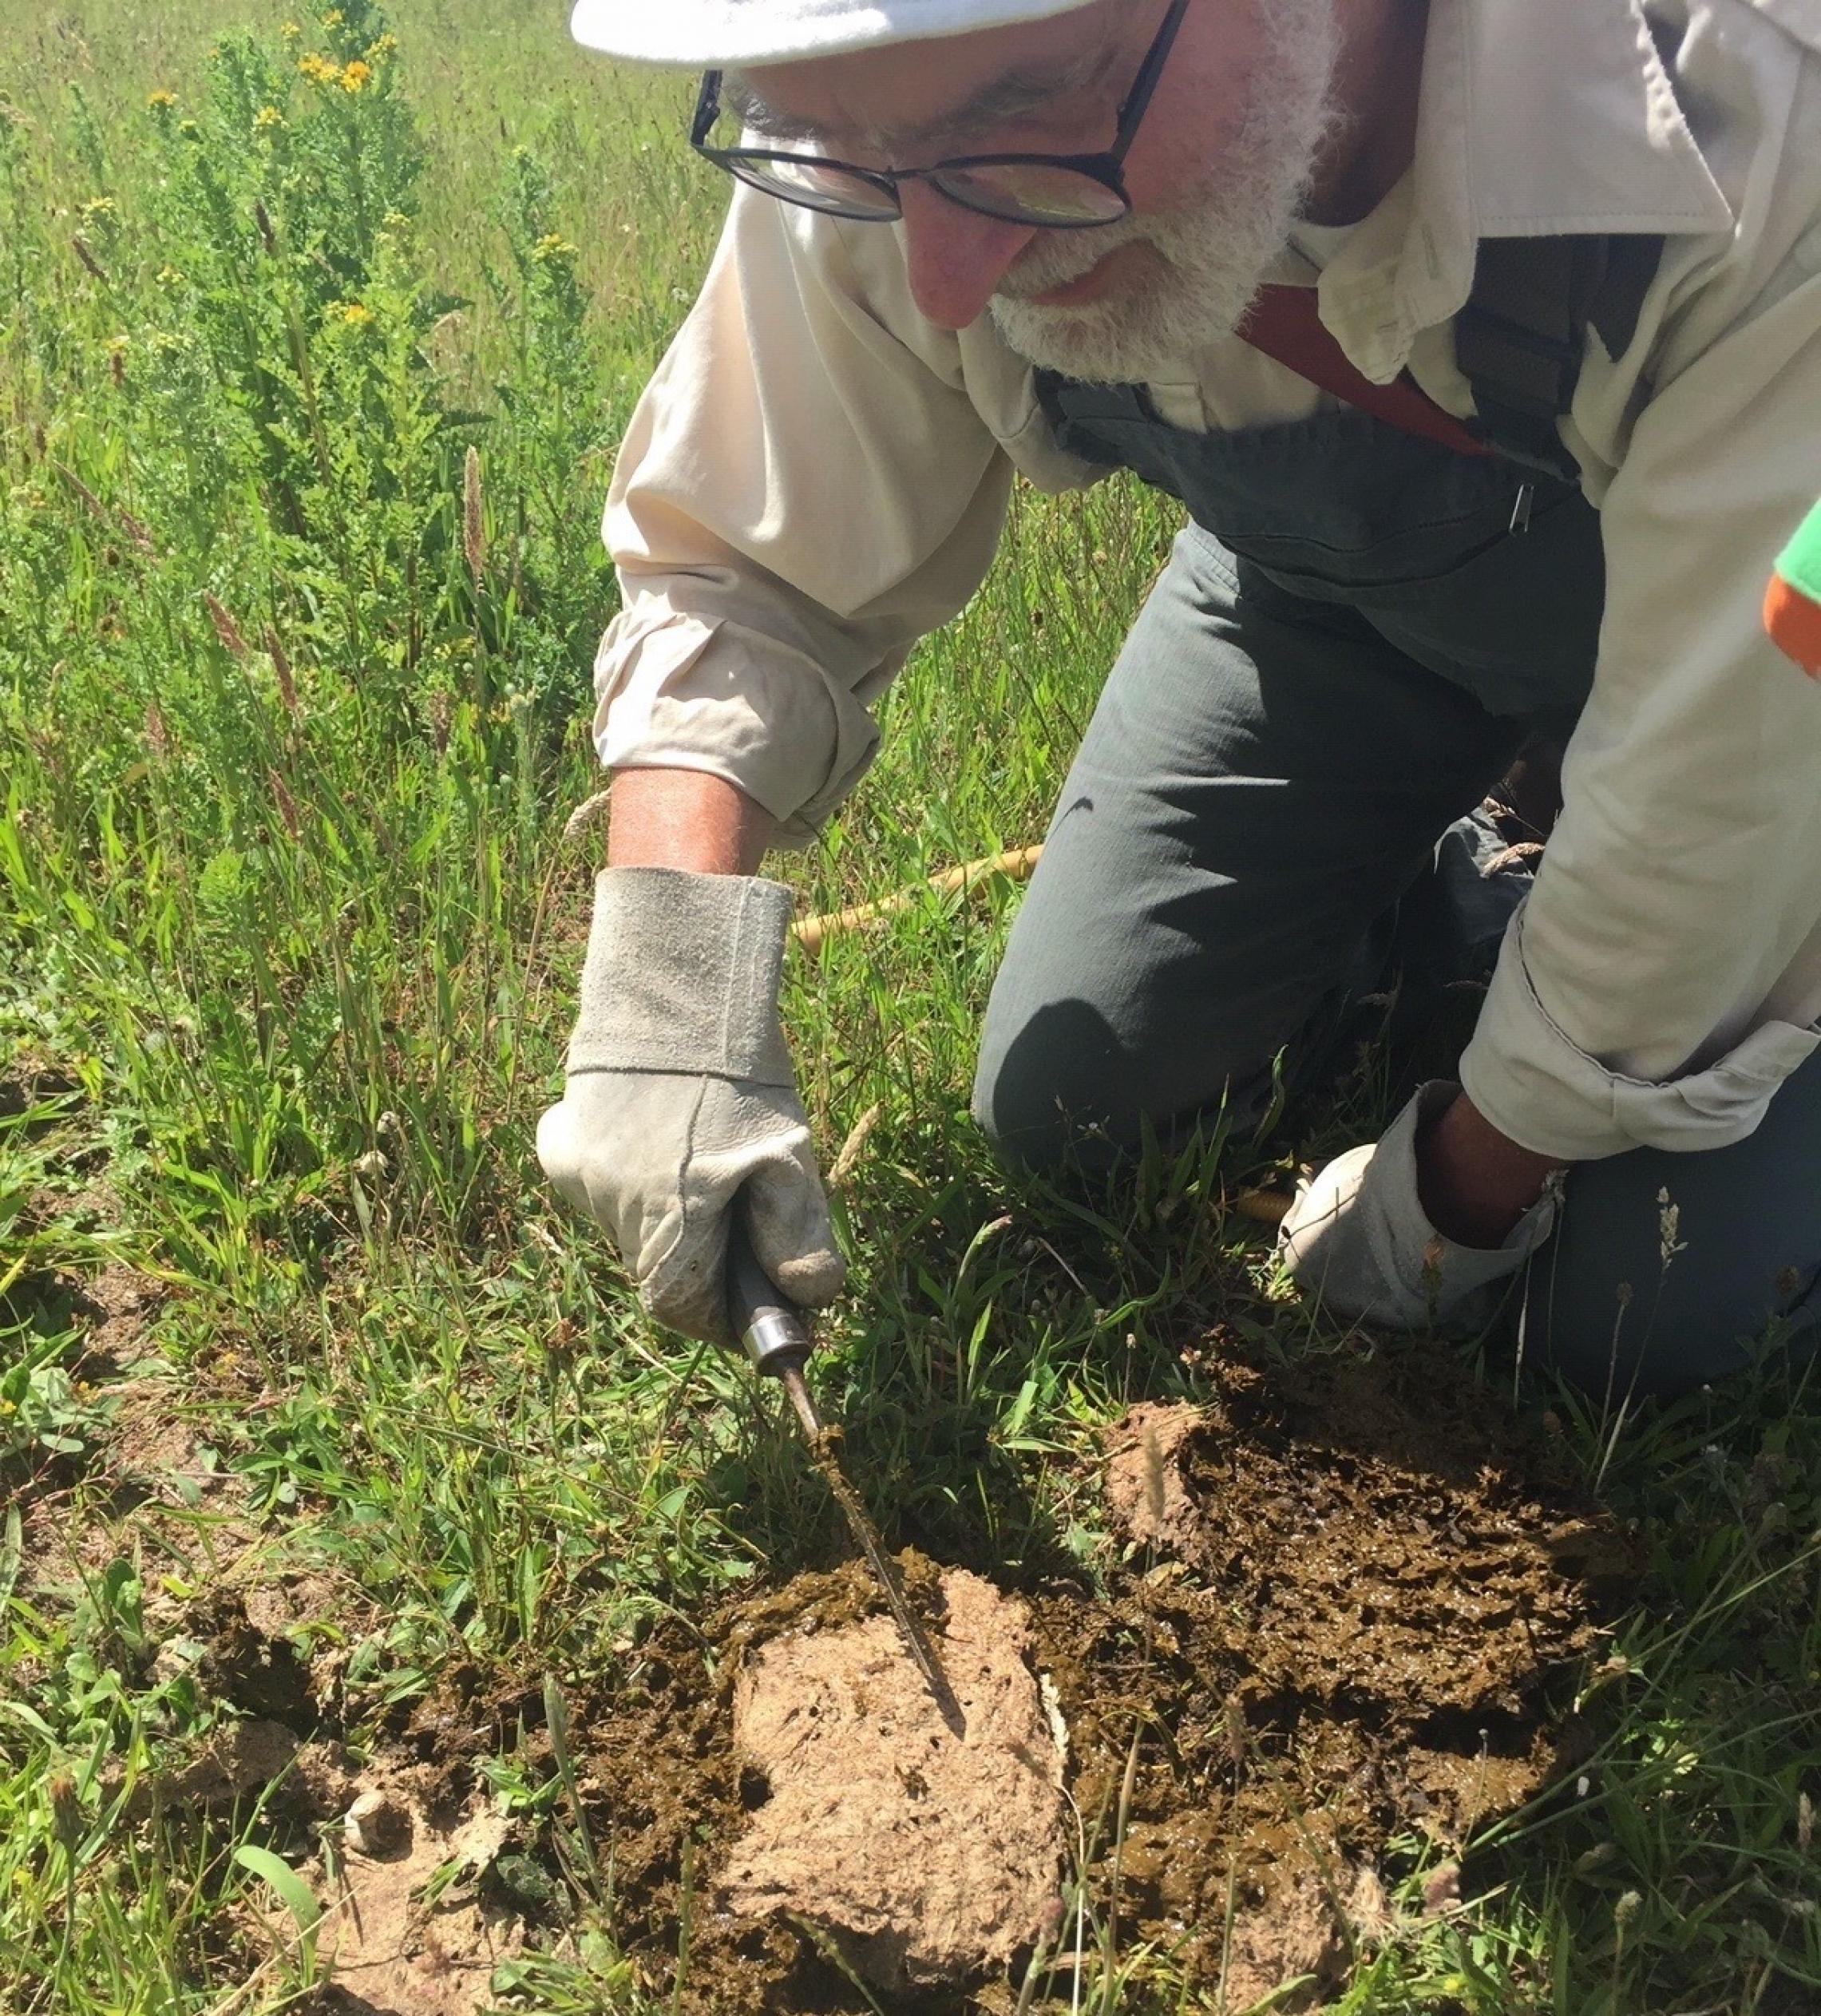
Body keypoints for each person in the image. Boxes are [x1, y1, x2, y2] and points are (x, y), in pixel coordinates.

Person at [536, 0, 1821, 1400]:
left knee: (1646, 1314)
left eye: (1031, 118)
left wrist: (1449, 1197)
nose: (947, 276)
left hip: (1781, 703)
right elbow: (748, 564)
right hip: (1342, 613)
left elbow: (1728, 801)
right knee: (1072, 1108)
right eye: (845, 158)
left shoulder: (1766, 119)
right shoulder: (898, 92)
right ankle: (1470, 893)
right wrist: (665, 999)